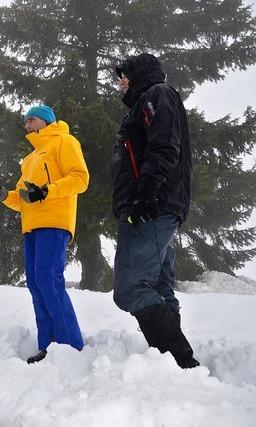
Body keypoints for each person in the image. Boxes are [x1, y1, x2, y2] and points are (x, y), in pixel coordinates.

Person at [112, 53, 199, 369]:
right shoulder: (149, 99)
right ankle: (172, 365)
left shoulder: (155, 95)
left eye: (123, 75)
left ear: (138, 74)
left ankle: (180, 359)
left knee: (130, 287)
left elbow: (164, 146)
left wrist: (146, 194)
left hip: (150, 206)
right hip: (159, 206)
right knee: (159, 286)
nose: (120, 82)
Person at [0, 105, 89, 364]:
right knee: (35, 284)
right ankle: (48, 345)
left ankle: (70, 346)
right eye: (26, 122)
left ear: (44, 121)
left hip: (55, 221)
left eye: (30, 120)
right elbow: (22, 199)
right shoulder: (30, 159)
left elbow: (80, 178)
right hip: (30, 226)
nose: (26, 125)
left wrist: (46, 191)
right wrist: (3, 196)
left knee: (48, 279)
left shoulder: (65, 141)